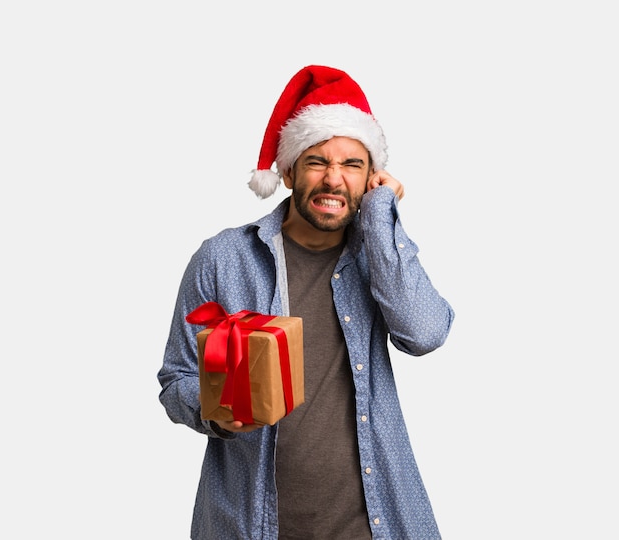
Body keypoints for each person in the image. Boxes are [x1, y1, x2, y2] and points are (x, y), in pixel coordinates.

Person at [158, 64, 455, 540]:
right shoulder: (223, 258)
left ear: (370, 178)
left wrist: (382, 218)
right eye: (317, 161)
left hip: (370, 526)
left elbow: (425, 332)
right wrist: (216, 409)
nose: (333, 179)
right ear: (290, 171)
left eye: (352, 165)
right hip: (253, 525)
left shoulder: (376, 256)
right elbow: (177, 377)